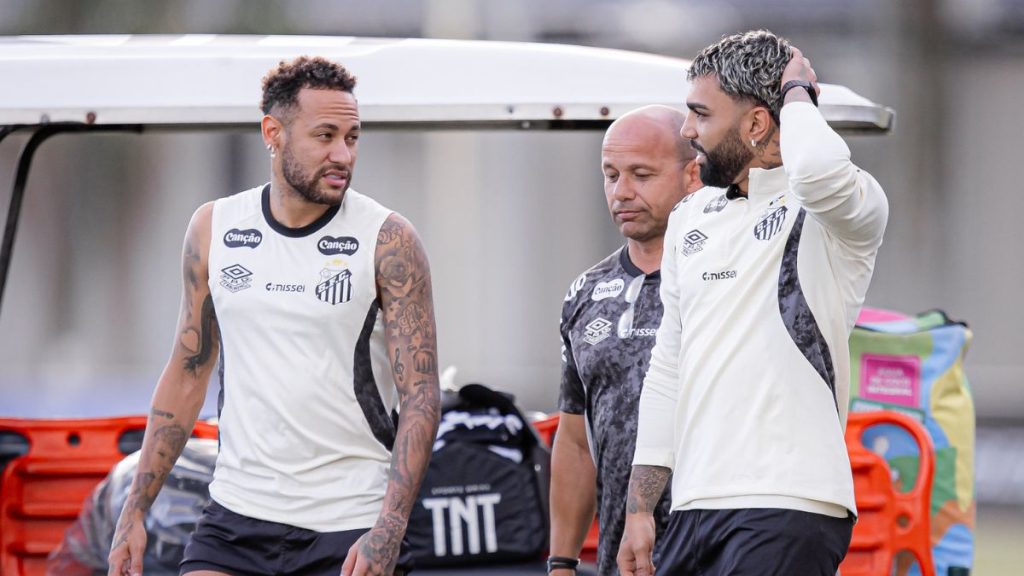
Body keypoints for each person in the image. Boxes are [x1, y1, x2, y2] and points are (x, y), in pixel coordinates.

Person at [106, 56, 441, 576]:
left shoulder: (389, 239)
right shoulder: (213, 227)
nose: (343, 154)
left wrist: (388, 528)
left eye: (352, 137)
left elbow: (420, 396)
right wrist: (134, 511)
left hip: (350, 522)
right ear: (273, 133)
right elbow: (188, 371)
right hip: (236, 517)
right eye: (325, 136)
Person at [618, 30, 889, 576]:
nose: (687, 130)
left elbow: (817, 172)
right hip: (693, 506)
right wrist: (640, 506)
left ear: (757, 123)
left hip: (788, 501)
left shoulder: (839, 206)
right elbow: (667, 368)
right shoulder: (692, 216)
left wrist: (797, 94)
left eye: (700, 114)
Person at [548, 105, 702, 575]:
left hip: (721, 547)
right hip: (627, 558)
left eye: (642, 174)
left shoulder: (722, 277)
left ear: (692, 175)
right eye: (611, 175)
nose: (621, 192)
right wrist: (561, 562)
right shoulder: (586, 292)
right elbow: (576, 443)